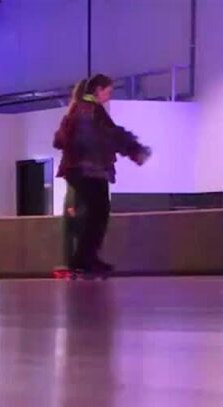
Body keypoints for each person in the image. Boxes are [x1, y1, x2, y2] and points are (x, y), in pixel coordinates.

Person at [53, 73, 150, 276]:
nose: (110, 96)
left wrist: (131, 149)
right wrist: (134, 150)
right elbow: (110, 135)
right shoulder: (90, 110)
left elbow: (107, 135)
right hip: (88, 170)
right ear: (98, 90)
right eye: (108, 91)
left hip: (86, 170)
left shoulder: (83, 109)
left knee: (97, 213)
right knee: (98, 213)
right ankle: (84, 259)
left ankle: (84, 258)